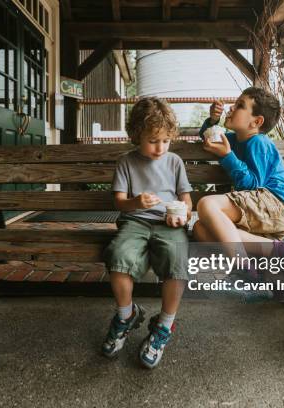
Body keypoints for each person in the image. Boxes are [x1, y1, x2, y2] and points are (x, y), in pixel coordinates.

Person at [102, 96, 192, 369]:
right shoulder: (126, 162)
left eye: (165, 140)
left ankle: (164, 325)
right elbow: (119, 201)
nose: (160, 147)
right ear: (137, 135)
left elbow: (186, 199)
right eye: (153, 141)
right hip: (135, 222)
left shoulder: (174, 161)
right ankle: (126, 314)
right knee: (118, 256)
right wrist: (135, 202)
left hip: (168, 223)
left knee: (177, 261)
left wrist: (183, 214)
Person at [194, 87, 284, 302]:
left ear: (256, 122)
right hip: (265, 215)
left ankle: (243, 268)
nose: (232, 108)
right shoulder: (236, 139)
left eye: (239, 106)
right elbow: (208, 138)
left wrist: (228, 156)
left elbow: (254, 185)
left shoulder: (259, 142)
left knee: (207, 205)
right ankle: (275, 251)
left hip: (276, 205)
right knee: (200, 229)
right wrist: (212, 121)